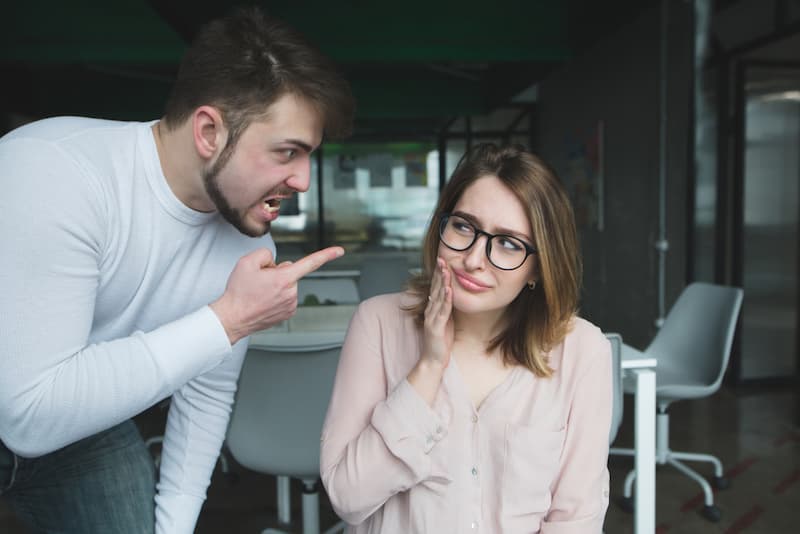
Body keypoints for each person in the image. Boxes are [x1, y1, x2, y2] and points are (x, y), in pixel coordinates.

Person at [0, 6, 354, 534]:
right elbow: (29, 415)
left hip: (86, 425)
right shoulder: (55, 172)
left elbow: (206, 392)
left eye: (309, 156)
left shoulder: (247, 234)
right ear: (209, 131)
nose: (303, 180)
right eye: (287, 152)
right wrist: (227, 320)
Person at [321, 143, 612, 532]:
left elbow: (576, 520)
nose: (474, 258)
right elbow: (347, 497)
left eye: (508, 243)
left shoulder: (583, 352)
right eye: (463, 226)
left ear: (539, 269)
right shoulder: (377, 323)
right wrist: (427, 368)